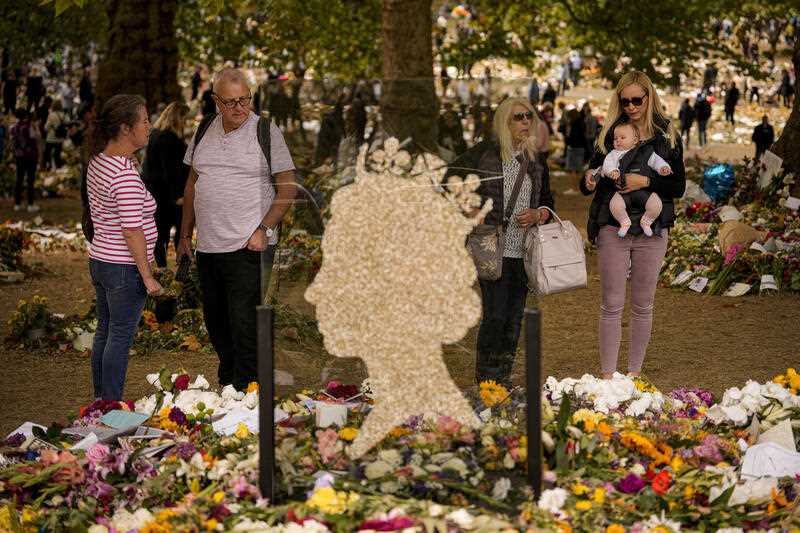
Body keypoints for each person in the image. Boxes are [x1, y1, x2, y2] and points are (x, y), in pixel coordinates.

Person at [177, 68, 297, 390]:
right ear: (216, 101)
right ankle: (229, 386)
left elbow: (288, 188)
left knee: (244, 327)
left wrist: (263, 228)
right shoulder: (203, 129)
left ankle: (249, 394)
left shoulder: (266, 132)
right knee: (217, 325)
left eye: (244, 100)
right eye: (230, 102)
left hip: (249, 246)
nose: (239, 108)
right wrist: (185, 235)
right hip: (209, 248)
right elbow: (192, 184)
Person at [581, 71, 685, 379]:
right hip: (612, 225)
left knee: (643, 304)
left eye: (636, 100)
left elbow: (677, 186)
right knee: (611, 303)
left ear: (649, 97)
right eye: (624, 101)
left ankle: (635, 374)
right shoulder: (610, 133)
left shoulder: (667, 136)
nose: (630, 106)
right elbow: (594, 174)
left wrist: (647, 180)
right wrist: (587, 180)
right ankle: (607, 376)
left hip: (652, 228)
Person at [445, 97, 554, 386]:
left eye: (529, 116)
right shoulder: (485, 154)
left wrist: (539, 213)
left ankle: (501, 379)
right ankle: (486, 382)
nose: (526, 122)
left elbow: (548, 202)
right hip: (493, 249)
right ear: (504, 122)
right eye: (518, 117)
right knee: (494, 315)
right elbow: (448, 179)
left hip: (524, 251)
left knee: (515, 318)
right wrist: (470, 209)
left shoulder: (536, 160)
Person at [85, 94, 162, 400]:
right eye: (144, 120)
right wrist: (147, 276)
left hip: (101, 261)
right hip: (122, 268)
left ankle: (100, 400)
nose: (149, 126)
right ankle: (110, 405)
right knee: (118, 336)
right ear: (126, 128)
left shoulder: (100, 162)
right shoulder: (124, 175)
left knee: (105, 331)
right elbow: (132, 231)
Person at [590, 122, 672, 237]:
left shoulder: (646, 151)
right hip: (622, 191)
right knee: (614, 205)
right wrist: (612, 171)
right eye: (615, 138)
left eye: (622, 138)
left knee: (656, 205)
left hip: (644, 191)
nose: (618, 140)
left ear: (635, 140)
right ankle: (624, 221)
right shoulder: (614, 154)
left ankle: (647, 221)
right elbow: (607, 165)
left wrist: (663, 168)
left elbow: (656, 161)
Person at [142, 102, 190, 268]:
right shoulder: (168, 139)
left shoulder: (156, 135)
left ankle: (165, 268)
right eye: (185, 118)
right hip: (167, 194)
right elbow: (170, 170)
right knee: (177, 232)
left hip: (157, 192)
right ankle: (174, 269)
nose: (187, 123)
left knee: (161, 231)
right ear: (179, 118)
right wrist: (177, 195)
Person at [10, 108, 40, 212]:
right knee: (30, 180)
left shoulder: (14, 128)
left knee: (19, 180)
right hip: (30, 156)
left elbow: (13, 142)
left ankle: (17, 204)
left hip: (19, 157)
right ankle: (30, 204)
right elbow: (35, 138)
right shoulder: (28, 127)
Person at [43, 99, 68, 170]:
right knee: (57, 154)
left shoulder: (51, 115)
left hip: (50, 138)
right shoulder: (64, 115)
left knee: (47, 153)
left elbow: (46, 127)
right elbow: (68, 123)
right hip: (60, 138)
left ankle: (49, 165)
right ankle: (58, 167)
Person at [564, 108, 586, 174]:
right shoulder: (582, 122)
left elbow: (570, 135)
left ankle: (573, 178)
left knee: (572, 166)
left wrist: (567, 141)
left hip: (573, 146)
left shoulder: (572, 124)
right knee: (578, 166)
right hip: (581, 145)